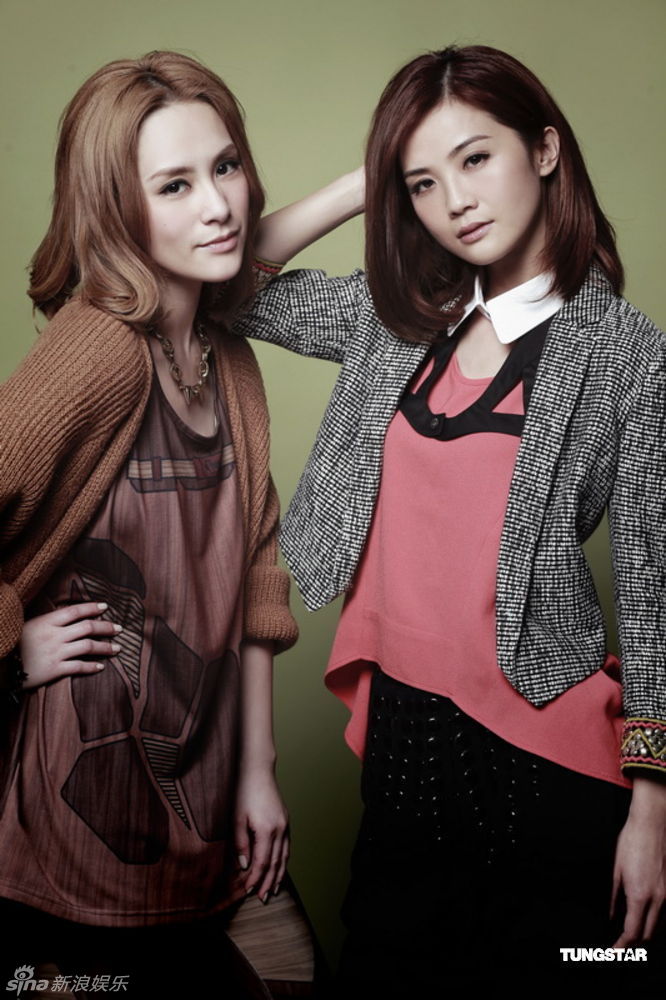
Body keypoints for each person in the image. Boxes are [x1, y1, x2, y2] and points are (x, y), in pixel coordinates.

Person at [237, 45, 666, 988]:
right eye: (423, 183)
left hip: (551, 767)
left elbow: (650, 591)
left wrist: (651, 814)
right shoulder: (397, 317)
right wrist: (369, 180)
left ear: (545, 150)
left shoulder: (628, 353)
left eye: (475, 159)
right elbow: (232, 286)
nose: (455, 201)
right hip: (402, 749)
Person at [0, 51, 321, 998]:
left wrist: (259, 769)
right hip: (82, 818)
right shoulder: (99, 349)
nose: (217, 205)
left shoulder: (222, 348)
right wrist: (10, 642)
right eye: (173, 185)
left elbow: (258, 569)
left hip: (204, 796)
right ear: (117, 209)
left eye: (226, 167)